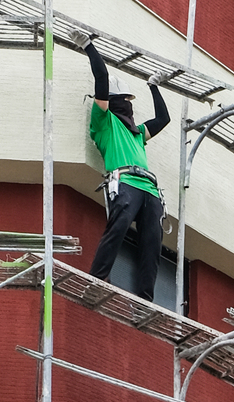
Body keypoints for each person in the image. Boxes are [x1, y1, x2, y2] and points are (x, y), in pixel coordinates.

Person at [69, 29, 171, 301]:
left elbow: (163, 119)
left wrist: (153, 86)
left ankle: (146, 298)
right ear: (115, 103)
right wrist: (88, 46)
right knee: (119, 226)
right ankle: (99, 276)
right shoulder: (105, 122)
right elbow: (101, 79)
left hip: (149, 189)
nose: (129, 105)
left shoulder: (137, 132)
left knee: (152, 243)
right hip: (124, 183)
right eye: (125, 100)